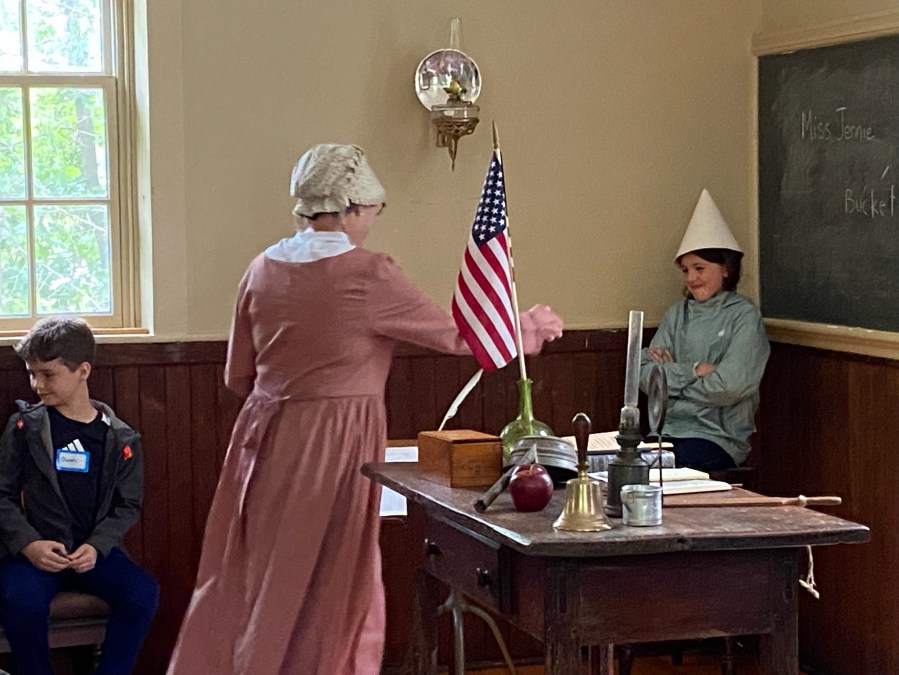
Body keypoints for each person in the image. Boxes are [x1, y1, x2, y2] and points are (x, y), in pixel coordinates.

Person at [167, 143, 563, 674]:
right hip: (333, 444)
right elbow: (455, 335)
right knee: (334, 579)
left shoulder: (261, 269)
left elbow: (238, 375)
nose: (374, 220)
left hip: (260, 444)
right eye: (375, 209)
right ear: (351, 207)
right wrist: (527, 326)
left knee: (259, 575)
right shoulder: (367, 272)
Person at [0, 317, 160, 675]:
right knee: (20, 600)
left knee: (142, 594)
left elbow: (127, 505)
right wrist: (29, 545)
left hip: (92, 553)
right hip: (35, 555)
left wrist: (97, 546)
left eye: (48, 374)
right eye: (32, 374)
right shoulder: (25, 427)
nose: (37, 384)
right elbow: (2, 494)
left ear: (82, 371)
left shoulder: (121, 438)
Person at [640, 189, 770, 471]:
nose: (691, 278)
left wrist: (672, 381)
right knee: (627, 465)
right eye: (685, 270)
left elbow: (731, 385)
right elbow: (646, 377)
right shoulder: (676, 315)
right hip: (665, 432)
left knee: (656, 470)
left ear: (726, 269)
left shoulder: (744, 316)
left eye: (699, 268)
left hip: (718, 438)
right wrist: (696, 370)